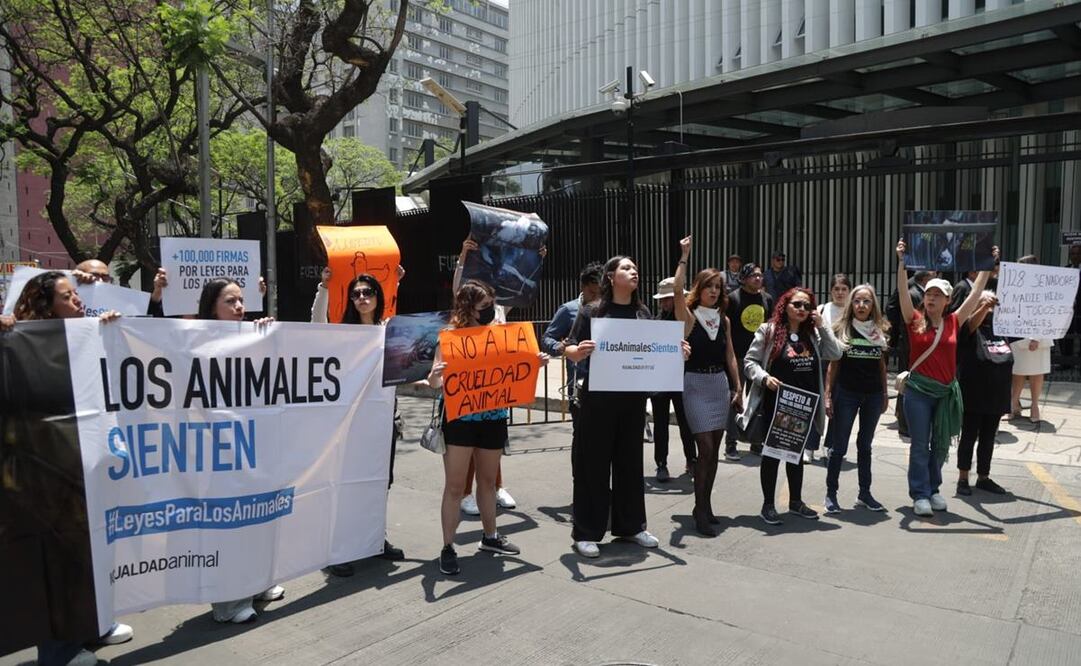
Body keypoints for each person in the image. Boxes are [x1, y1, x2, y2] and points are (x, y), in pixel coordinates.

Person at [10, 272, 132, 662]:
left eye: (77, 295)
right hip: (40, 472)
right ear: (46, 306)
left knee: (84, 552)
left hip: (78, 468)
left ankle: (87, 630)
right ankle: (58, 653)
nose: (78, 302)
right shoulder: (17, 342)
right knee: (54, 559)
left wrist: (108, 331)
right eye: (68, 297)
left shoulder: (85, 337)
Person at [563, 255, 690, 557]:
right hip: (598, 400)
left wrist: (676, 351)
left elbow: (654, 350)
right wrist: (577, 352)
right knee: (593, 466)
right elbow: (568, 345)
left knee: (630, 465)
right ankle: (586, 532)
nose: (634, 271)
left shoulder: (642, 313)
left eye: (635, 267)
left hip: (633, 400)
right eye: (626, 268)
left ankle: (631, 526)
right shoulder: (593, 311)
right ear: (611, 277)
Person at [427, 279, 547, 575]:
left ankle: (490, 537)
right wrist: (435, 376)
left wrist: (535, 363)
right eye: (484, 306)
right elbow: (435, 382)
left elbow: (514, 369)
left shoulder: (500, 335)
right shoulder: (450, 338)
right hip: (460, 420)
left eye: (492, 305)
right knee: (455, 486)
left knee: (489, 482)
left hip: (492, 417)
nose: (490, 310)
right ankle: (447, 547)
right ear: (468, 308)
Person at [197, 278, 285, 623]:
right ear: (211, 307)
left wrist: (266, 336)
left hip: (254, 445)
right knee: (228, 525)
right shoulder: (194, 340)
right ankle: (228, 602)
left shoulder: (251, 334)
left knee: (257, 518)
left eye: (241, 300)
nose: (239, 307)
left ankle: (257, 583)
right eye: (230, 301)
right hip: (218, 450)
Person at [311, 268, 406, 576]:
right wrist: (324, 288)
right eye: (356, 294)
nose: (362, 297)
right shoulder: (344, 334)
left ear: (378, 297)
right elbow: (317, 324)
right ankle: (336, 549)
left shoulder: (388, 329)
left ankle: (374, 539)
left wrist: (395, 283)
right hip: (352, 425)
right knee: (346, 485)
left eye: (368, 292)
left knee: (381, 482)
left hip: (385, 421)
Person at [895, 239, 996, 517]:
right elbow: (903, 291)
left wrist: (986, 265)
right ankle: (920, 494)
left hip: (945, 393)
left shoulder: (954, 321)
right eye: (929, 293)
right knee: (920, 445)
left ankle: (933, 488)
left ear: (948, 301)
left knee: (940, 444)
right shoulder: (914, 319)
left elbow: (976, 293)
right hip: (918, 392)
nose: (931, 298)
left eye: (938, 295)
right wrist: (902, 262)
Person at [741, 287, 843, 525]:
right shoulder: (769, 331)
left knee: (796, 455)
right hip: (775, 404)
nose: (802, 309)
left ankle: (795, 501)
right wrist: (764, 378)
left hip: (803, 406)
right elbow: (749, 362)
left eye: (807, 306)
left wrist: (823, 327)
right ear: (784, 306)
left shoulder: (813, 335)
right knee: (772, 454)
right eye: (797, 304)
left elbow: (836, 353)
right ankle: (768, 505)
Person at [673, 237, 742, 536]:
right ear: (699, 289)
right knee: (706, 448)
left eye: (718, 287)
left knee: (713, 455)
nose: (714, 291)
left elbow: (730, 355)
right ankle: (699, 511)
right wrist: (684, 256)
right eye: (709, 286)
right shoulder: (689, 317)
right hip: (695, 384)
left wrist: (737, 387)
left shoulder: (723, 320)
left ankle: (705, 504)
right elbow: (677, 290)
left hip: (719, 385)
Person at [453, 237, 519, 515]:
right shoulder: (465, 312)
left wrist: (535, 259)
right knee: (469, 444)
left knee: (493, 441)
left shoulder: (498, 309)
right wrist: (462, 257)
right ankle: (465, 493)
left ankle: (496, 486)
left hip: (495, 385)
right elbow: (458, 288)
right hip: (470, 386)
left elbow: (519, 289)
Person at [823, 284, 890, 514]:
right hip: (847, 394)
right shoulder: (842, 329)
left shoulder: (879, 330)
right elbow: (833, 366)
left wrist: (884, 393)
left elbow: (882, 366)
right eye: (857, 301)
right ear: (851, 304)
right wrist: (828, 395)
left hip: (872, 395)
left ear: (873, 305)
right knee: (839, 447)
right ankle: (831, 494)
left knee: (865, 446)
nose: (861, 305)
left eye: (866, 301)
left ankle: (865, 493)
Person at [956, 290, 1013, 496]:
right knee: (969, 436)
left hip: (996, 395)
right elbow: (971, 324)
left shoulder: (1001, 329)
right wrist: (984, 306)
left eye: (991, 305)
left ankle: (983, 477)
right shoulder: (968, 328)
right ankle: (963, 477)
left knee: (988, 438)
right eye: (983, 304)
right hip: (974, 394)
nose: (989, 310)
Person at [725, 262, 773, 459]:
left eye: (760, 275)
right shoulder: (733, 298)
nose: (758, 278)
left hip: (758, 358)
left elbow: (771, 325)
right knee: (735, 398)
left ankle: (756, 440)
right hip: (737, 356)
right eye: (753, 275)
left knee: (758, 399)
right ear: (743, 279)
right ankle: (730, 443)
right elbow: (725, 328)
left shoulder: (767, 299)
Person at [650, 276, 696, 480]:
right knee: (660, 424)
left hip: (683, 378)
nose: (668, 302)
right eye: (665, 299)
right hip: (660, 380)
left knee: (686, 422)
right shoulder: (654, 323)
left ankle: (692, 459)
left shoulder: (689, 321)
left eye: (672, 298)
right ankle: (661, 463)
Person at [886, 269, 936, 437]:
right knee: (906, 382)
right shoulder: (914, 294)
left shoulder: (918, 293)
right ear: (925, 278)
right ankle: (905, 424)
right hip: (910, 345)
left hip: (914, 345)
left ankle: (907, 421)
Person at [1008, 255, 1051, 423]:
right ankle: (1014, 405)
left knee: (1036, 372)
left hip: (1039, 336)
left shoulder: (1043, 287)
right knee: (1017, 371)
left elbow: (1046, 313)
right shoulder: (1015, 286)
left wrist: (1036, 338)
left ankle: (1034, 406)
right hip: (1018, 335)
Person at [814, 273, 851, 463]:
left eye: (844, 289)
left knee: (838, 404)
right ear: (830, 291)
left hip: (844, 363)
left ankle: (830, 445)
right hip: (823, 360)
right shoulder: (822, 309)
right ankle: (810, 446)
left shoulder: (853, 310)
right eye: (836, 289)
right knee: (817, 403)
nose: (840, 293)